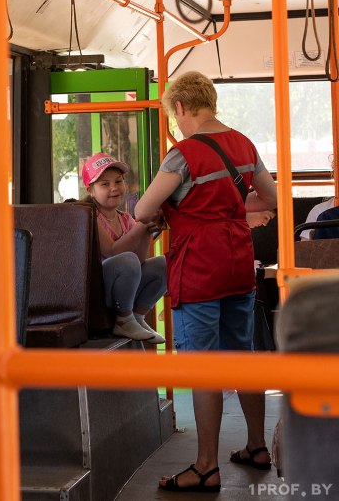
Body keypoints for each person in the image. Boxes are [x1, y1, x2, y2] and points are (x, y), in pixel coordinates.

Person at [134, 71, 278, 492]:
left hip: (198, 265)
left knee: (203, 365)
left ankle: (205, 466)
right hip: (238, 260)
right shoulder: (244, 145)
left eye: (174, 116)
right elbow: (269, 198)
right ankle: (257, 446)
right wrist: (229, 208)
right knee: (242, 355)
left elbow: (143, 210)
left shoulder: (183, 154)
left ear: (180, 107)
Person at [81, 153, 167, 344]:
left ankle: (137, 316)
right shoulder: (90, 216)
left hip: (124, 286)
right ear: (91, 190)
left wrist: (147, 230)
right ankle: (123, 319)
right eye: (105, 184)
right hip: (99, 288)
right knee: (126, 259)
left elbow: (139, 261)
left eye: (118, 181)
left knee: (165, 264)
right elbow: (112, 251)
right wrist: (141, 226)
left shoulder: (125, 218)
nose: (114, 188)